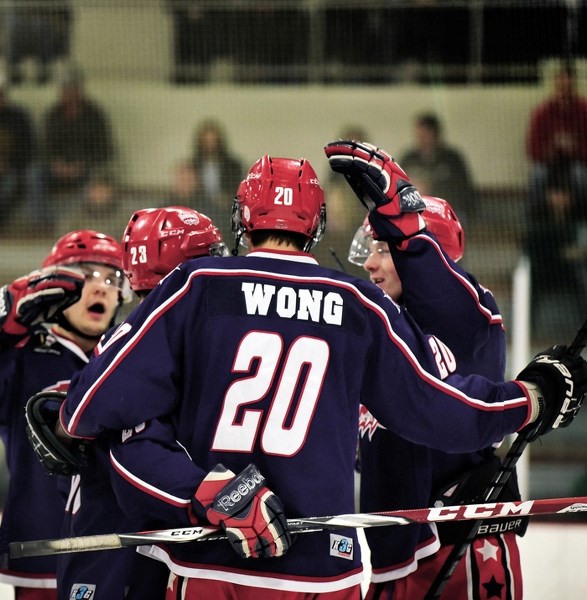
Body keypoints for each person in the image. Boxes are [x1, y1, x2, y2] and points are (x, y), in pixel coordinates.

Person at [58, 151, 585, 599]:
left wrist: (68, 419)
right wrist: (531, 398)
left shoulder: (198, 285)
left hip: (212, 562)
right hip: (324, 571)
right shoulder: (358, 302)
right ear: (317, 225)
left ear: (243, 218)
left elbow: (89, 411)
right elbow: (437, 408)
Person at [348, 196, 524, 599]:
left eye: (384, 250)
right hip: (394, 554)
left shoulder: (469, 317)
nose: (370, 264)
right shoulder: (387, 332)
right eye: (371, 249)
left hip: (461, 548)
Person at [52, 207, 227, 600]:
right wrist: (213, 494)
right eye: (206, 257)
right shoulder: (136, 342)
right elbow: (124, 445)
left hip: (156, 539)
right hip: (113, 544)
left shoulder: (176, 335)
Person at [0, 229, 127, 599]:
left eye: (111, 278)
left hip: (117, 550)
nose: (100, 287)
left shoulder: (131, 354)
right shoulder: (22, 353)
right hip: (40, 551)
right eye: (85, 276)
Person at [24, 66, 116, 232]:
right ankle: (42, 223)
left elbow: (105, 148)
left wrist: (82, 163)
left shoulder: (94, 114)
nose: (69, 93)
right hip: (56, 169)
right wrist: (56, 164)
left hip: (85, 168)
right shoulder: (53, 114)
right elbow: (44, 147)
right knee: (34, 173)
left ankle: (79, 220)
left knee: (95, 179)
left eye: (72, 88)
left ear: (80, 90)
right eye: (65, 89)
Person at [524, 162, 585, 342]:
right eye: (555, 193)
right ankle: (528, 332)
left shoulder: (578, 217)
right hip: (545, 270)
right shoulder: (538, 218)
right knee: (529, 283)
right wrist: (562, 254)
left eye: (563, 194)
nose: (559, 198)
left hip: (572, 272)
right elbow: (533, 250)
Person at [525, 62, 587, 211]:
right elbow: (532, 148)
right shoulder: (542, 112)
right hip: (548, 163)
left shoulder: (583, 111)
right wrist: (551, 150)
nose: (563, 92)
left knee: (581, 177)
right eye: (561, 88)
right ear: (555, 86)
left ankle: (580, 217)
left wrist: (573, 149)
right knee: (536, 176)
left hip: (576, 162)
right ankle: (537, 219)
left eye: (567, 88)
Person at [398, 112, 475, 225]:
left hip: (447, 213)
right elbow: (397, 188)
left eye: (425, 135)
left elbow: (464, 191)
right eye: (419, 136)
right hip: (415, 214)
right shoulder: (409, 159)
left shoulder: (452, 159)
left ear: (435, 134)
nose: (421, 140)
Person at [190, 117, 244, 240]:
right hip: (201, 210)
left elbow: (238, 188)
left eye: (213, 140)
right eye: (206, 141)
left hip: (225, 212)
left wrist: (226, 198)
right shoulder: (194, 165)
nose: (210, 144)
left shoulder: (232, 165)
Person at [0, 77, 36, 232]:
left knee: (9, 184)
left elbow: (28, 147)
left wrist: (7, 163)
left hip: (14, 168)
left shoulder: (18, 117)